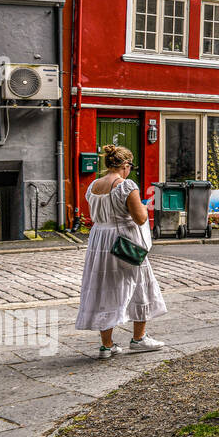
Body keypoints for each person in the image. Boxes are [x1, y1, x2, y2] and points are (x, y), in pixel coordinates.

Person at [76, 144, 167, 358]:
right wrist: (144, 206)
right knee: (140, 285)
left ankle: (107, 346)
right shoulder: (126, 186)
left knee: (104, 288)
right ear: (125, 165)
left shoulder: (93, 186)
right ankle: (139, 338)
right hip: (125, 243)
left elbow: (95, 215)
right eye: (130, 166)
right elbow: (140, 218)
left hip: (100, 242)